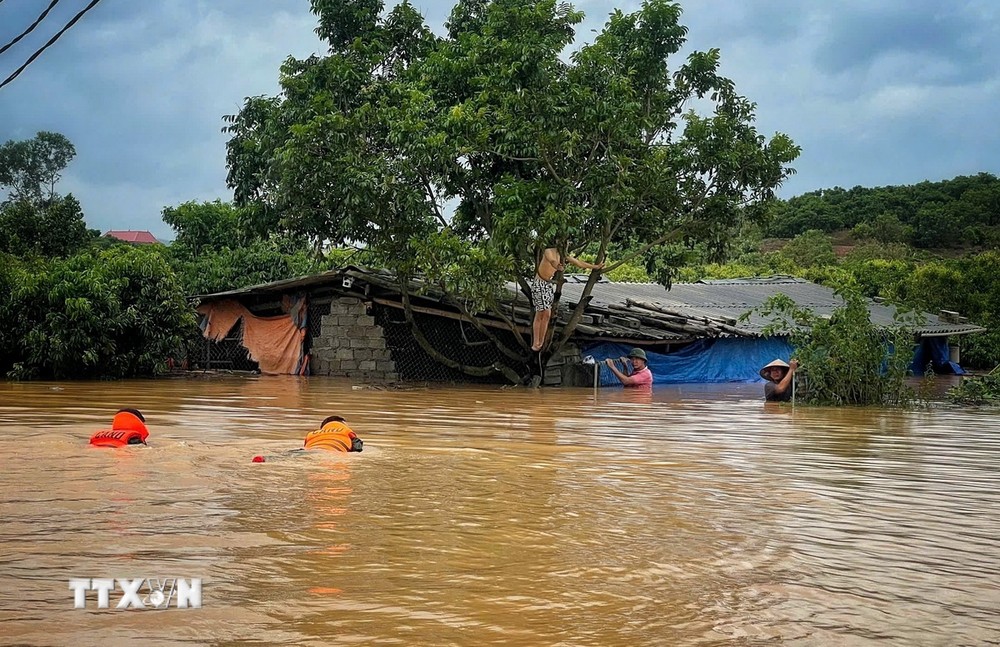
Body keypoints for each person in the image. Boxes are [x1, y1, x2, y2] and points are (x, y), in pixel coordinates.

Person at [530, 247, 605, 351]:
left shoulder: (563, 255)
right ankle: (536, 342)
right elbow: (552, 261)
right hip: (539, 283)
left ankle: (540, 342)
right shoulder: (549, 251)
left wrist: (596, 267)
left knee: (546, 314)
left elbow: (578, 263)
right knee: (543, 312)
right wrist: (558, 266)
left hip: (548, 284)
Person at [252, 415, 363, 462]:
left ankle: (265, 459)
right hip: (331, 453)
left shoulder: (312, 434)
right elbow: (357, 447)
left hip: (309, 451)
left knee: (291, 455)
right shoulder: (347, 432)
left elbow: (305, 446)